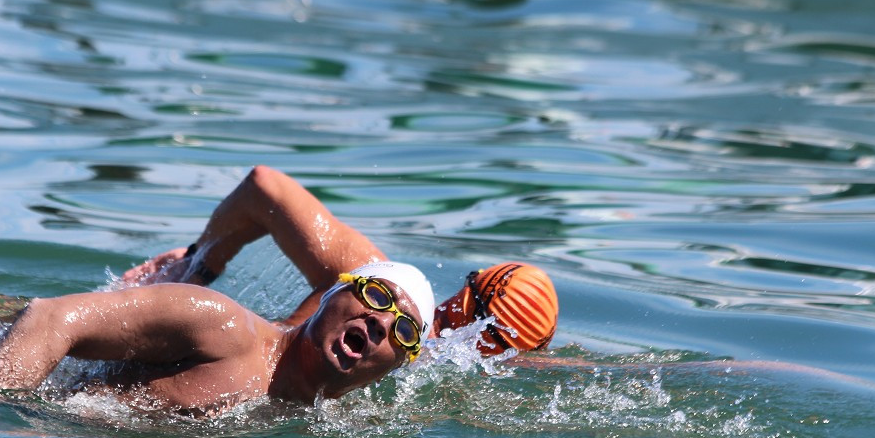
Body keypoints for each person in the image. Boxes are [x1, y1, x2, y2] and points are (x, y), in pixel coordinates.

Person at [123, 165, 558, 356]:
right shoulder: (426, 364)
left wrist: (200, 262)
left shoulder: (372, 280)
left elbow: (264, 184)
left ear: (472, 283)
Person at [0, 261, 435, 415]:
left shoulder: (342, 428)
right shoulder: (222, 328)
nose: (381, 322)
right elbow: (49, 318)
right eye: (376, 295)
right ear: (332, 294)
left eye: (404, 330)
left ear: (399, 364)